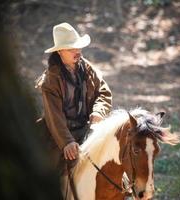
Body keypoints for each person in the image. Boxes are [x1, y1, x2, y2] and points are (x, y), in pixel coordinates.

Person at [35, 22, 112, 198]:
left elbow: (103, 91)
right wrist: (67, 142)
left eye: (78, 47)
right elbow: (54, 117)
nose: (77, 51)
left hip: (85, 127)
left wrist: (98, 112)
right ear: (60, 52)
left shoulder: (87, 68)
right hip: (58, 133)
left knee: (114, 151)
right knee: (53, 172)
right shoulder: (51, 80)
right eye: (71, 48)